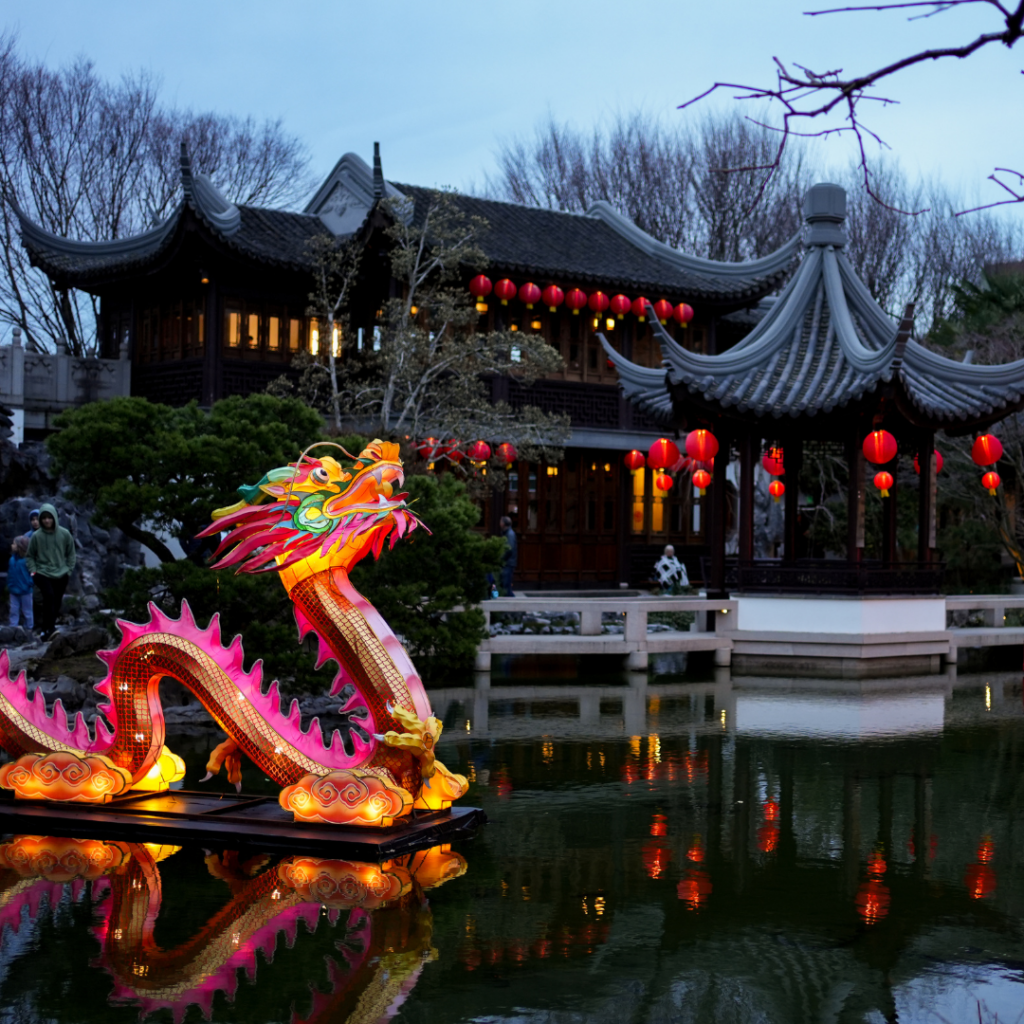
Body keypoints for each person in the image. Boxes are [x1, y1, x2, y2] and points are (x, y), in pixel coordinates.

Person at [26, 503, 76, 640]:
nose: (47, 520)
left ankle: (46, 631)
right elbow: (30, 555)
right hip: (42, 572)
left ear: (54, 517)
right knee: (48, 596)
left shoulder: (65, 534)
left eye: (49, 517)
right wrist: (33, 571)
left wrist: (69, 570)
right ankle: (50, 628)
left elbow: (71, 553)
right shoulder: (36, 536)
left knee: (56, 602)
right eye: (44, 518)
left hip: (61, 572)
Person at [7, 535, 34, 632]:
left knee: (27, 611)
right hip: (13, 589)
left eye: (14, 543)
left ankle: (29, 629)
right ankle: (13, 628)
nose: (12, 545)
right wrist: (9, 584)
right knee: (13, 610)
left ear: (20, 546)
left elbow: (34, 573)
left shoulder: (28, 560)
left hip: (26, 590)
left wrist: (29, 583)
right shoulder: (12, 559)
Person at [499, 515, 517, 597]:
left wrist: (501, 559)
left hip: (508, 563)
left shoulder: (509, 534)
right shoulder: (507, 533)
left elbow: (508, 549)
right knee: (506, 584)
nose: (500, 523)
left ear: (503, 524)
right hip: (508, 562)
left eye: (501, 522)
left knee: (506, 584)